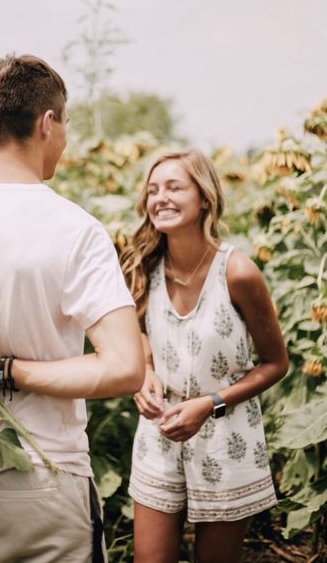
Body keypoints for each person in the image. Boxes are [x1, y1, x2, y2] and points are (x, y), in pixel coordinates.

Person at [0, 54, 145, 563]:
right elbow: (126, 367)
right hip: (41, 474)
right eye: (65, 124)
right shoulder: (73, 228)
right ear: (47, 123)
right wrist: (6, 372)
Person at [120, 149, 288, 563]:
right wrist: (144, 372)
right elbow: (139, 330)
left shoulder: (238, 272)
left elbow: (275, 363)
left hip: (226, 438)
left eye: (175, 187)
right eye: (153, 190)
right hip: (159, 432)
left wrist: (209, 404)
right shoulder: (144, 265)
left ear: (205, 198)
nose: (160, 198)